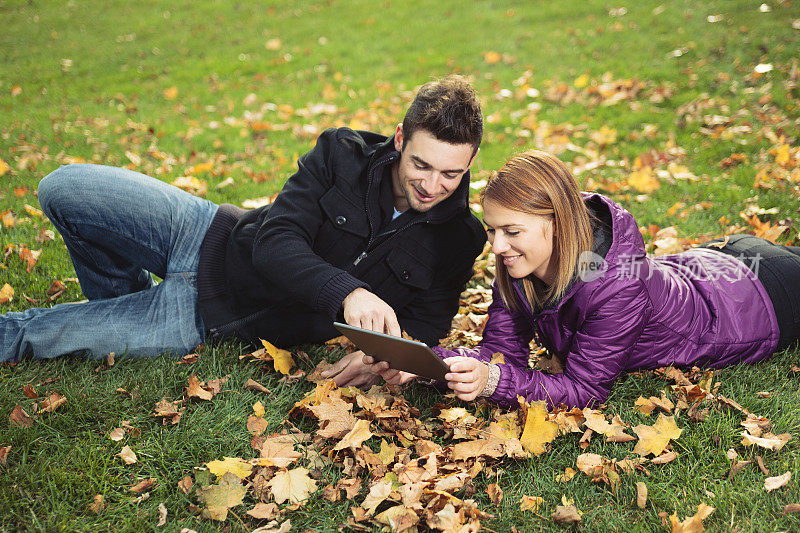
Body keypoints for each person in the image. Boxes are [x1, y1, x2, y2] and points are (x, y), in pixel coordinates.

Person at [0, 75, 487, 387]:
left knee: (29, 335)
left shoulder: (460, 238)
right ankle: (119, 301)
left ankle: (118, 314)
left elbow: (426, 326)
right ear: (400, 139)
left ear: (470, 163)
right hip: (202, 232)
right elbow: (275, 242)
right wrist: (349, 293)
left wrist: (384, 363)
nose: (432, 185)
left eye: (452, 174)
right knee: (63, 188)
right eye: (421, 164)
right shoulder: (342, 153)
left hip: (204, 318)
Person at [371, 149, 800, 408]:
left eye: (512, 232)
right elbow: (502, 353)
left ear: (557, 223)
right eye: (493, 230)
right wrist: (429, 363)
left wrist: (494, 382)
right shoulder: (520, 261)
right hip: (713, 258)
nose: (497, 247)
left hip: (764, 299)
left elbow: (585, 389)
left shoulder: (615, 287)